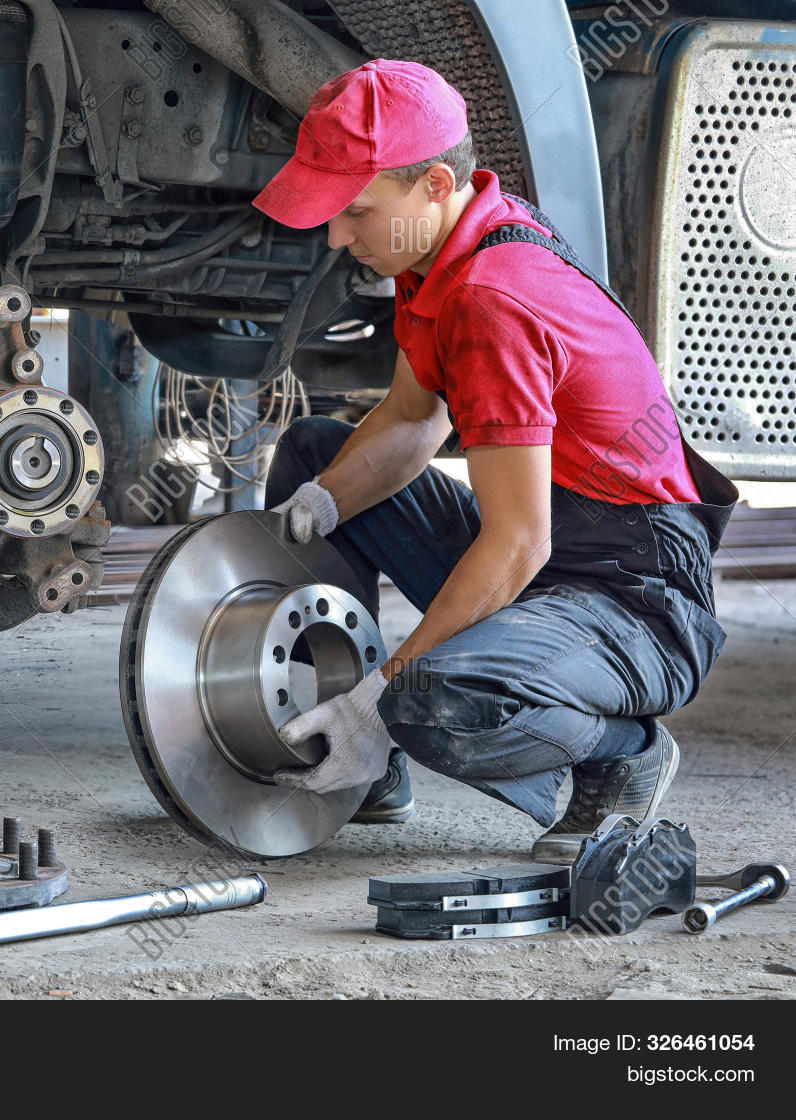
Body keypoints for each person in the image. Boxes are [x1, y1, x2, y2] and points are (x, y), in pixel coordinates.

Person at [250, 59, 739, 863]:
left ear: (434, 184)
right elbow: (412, 418)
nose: (337, 236)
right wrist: (320, 508)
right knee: (314, 457)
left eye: (357, 212)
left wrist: (381, 697)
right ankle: (359, 759)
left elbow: (518, 544)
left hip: (637, 597)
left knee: (429, 700)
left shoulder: (491, 298)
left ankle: (623, 755)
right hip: (558, 543)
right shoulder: (439, 252)